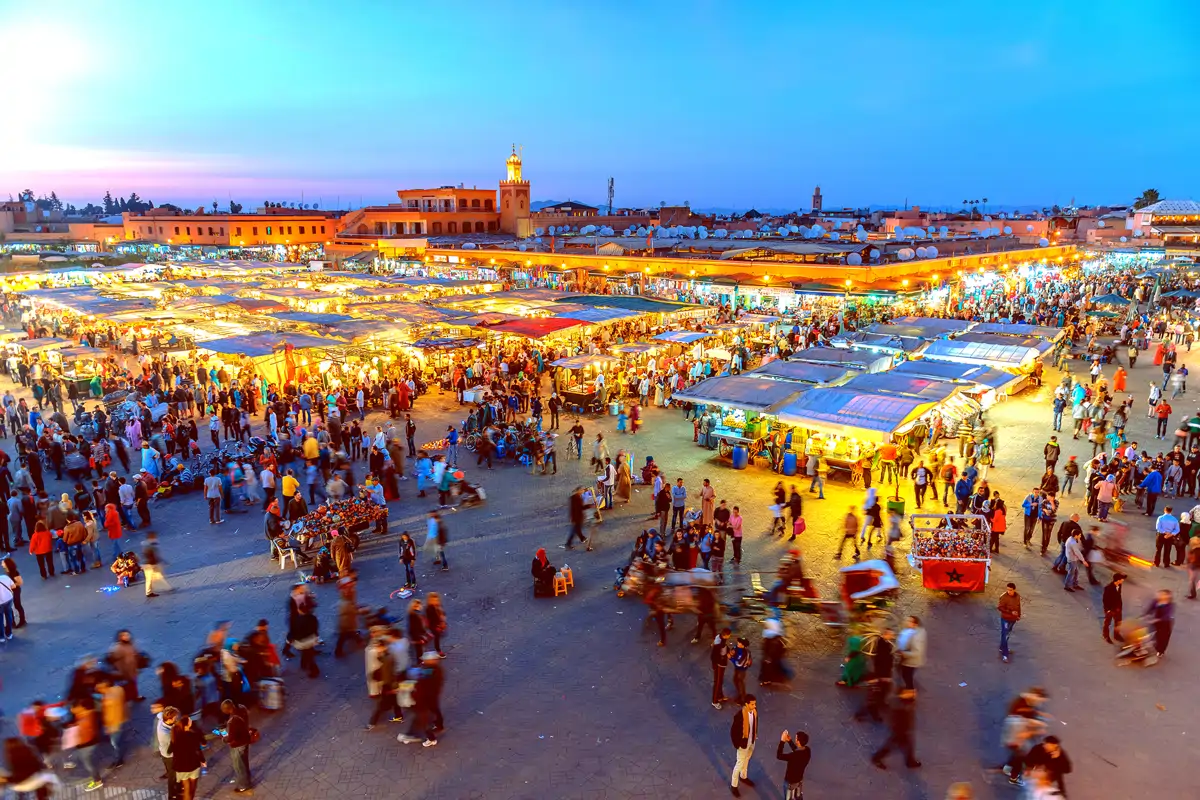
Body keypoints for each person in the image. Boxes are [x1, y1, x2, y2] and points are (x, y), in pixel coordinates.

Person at [871, 689, 920, 769]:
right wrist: (901, 730)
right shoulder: (901, 708)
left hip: (902, 731)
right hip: (900, 731)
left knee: (908, 745)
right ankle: (876, 758)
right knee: (891, 746)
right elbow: (898, 720)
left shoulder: (904, 707)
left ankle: (910, 761)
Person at [729, 694, 759, 797]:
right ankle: (734, 785)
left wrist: (755, 735)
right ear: (746, 704)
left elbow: (755, 724)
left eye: (754, 704)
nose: (754, 706)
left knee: (747, 759)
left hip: (751, 742)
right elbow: (733, 732)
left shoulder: (754, 712)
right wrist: (738, 744)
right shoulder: (739, 716)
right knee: (739, 764)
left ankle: (744, 776)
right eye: (752, 704)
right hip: (743, 744)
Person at [172, 714, 206, 800]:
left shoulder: (175, 735)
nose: (191, 721)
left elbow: (171, 750)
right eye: (190, 720)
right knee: (192, 787)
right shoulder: (192, 735)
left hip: (181, 766)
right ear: (187, 725)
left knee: (186, 788)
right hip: (193, 764)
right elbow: (198, 750)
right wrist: (203, 761)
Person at [776, 729, 811, 800]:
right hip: (799, 780)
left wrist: (782, 741)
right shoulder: (807, 751)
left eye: (796, 738)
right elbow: (798, 751)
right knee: (798, 797)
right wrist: (789, 741)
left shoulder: (793, 756)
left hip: (790, 782)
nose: (795, 739)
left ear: (798, 741)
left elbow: (779, 756)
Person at [896, 616, 926, 690]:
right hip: (906, 659)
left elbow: (917, 652)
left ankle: (910, 690)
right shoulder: (911, 630)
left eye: (909, 621)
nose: (906, 622)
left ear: (915, 624)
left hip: (911, 662)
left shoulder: (917, 637)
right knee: (904, 673)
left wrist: (903, 653)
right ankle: (908, 688)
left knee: (907, 675)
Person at [1145, 589, 1175, 658]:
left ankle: (1161, 651)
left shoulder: (1170, 605)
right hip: (1157, 620)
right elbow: (1150, 608)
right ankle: (1154, 643)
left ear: (1167, 596)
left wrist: (1155, 620)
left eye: (1162, 594)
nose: (1159, 595)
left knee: (1163, 638)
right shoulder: (1156, 601)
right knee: (1155, 633)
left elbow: (1166, 616)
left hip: (1166, 623)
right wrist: (1147, 614)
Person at [143, 532, 171, 598]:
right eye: (154, 536)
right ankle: (149, 593)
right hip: (149, 565)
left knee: (158, 576)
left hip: (151, 564)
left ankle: (167, 588)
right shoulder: (148, 545)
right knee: (150, 579)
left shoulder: (150, 544)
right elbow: (150, 556)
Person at [998, 582, 1021, 663]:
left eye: (1010, 590)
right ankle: (1005, 654)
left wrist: (1018, 615)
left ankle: (1001, 647)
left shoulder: (1017, 596)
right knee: (1005, 635)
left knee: (1006, 634)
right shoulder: (1003, 597)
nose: (1008, 591)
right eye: (1007, 590)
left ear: (1014, 590)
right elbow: (1000, 607)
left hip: (1013, 619)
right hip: (1005, 619)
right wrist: (1010, 612)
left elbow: (1018, 606)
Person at [711, 628, 732, 710]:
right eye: (729, 635)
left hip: (718, 663)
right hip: (719, 664)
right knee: (718, 682)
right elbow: (718, 654)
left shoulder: (719, 638)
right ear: (726, 635)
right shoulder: (720, 643)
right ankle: (715, 701)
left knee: (719, 681)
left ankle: (720, 696)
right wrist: (727, 654)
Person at [1102, 573, 1125, 643]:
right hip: (1110, 609)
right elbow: (1105, 600)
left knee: (1118, 622)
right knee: (1107, 623)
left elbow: (1118, 596)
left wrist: (1120, 607)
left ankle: (1116, 635)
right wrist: (1108, 610)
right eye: (1122, 579)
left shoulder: (1119, 585)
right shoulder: (1108, 588)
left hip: (1117, 608)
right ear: (1118, 580)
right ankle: (1106, 636)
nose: (1123, 580)